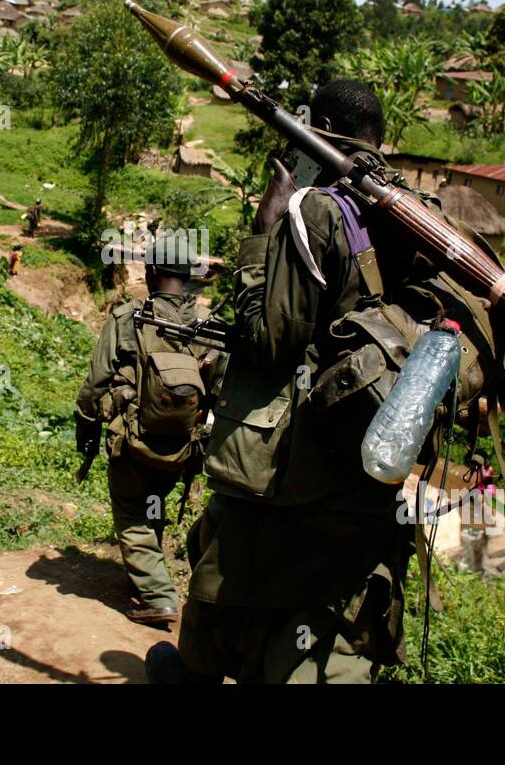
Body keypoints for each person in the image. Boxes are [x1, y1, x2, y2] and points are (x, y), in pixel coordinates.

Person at [170, 79, 421, 684]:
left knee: (233, 591)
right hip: (370, 461)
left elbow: (270, 341)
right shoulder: (414, 211)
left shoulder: (317, 210)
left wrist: (264, 230)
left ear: (319, 128)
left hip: (293, 466)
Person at [75, 240, 221, 627]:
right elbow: (222, 390)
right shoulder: (210, 325)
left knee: (133, 513)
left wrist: (85, 424)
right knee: (153, 501)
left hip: (134, 440)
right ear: (189, 277)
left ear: (151, 273)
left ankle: (157, 596)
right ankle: (146, 579)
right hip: (183, 447)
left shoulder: (127, 317)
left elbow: (96, 381)